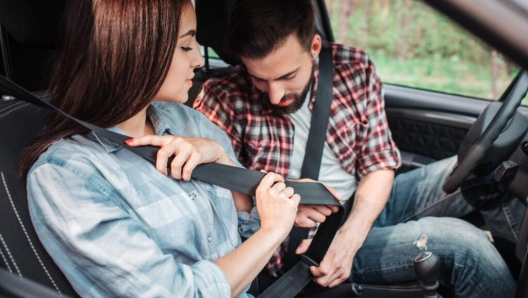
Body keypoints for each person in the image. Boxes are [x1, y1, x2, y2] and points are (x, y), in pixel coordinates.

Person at [193, 0, 525, 296]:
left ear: (314, 46)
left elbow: (379, 163)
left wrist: (351, 236)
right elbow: (212, 209)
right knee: (466, 246)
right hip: (306, 243)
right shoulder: (222, 98)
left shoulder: (351, 68)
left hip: (364, 203)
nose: (274, 95)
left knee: (496, 167)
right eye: (259, 79)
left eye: (288, 75)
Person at [19, 0, 310, 297]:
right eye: (186, 46)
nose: (198, 59)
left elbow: (243, 233)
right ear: (134, 51)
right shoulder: (69, 177)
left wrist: (223, 160)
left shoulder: (189, 121)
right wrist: (272, 231)